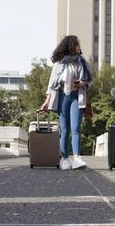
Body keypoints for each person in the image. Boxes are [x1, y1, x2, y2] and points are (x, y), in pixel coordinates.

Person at [40, 35, 93, 170]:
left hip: (77, 97)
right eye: (77, 44)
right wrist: (47, 102)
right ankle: (64, 159)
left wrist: (83, 83)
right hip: (63, 97)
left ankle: (76, 158)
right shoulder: (59, 64)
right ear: (70, 46)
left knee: (76, 128)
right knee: (65, 130)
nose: (79, 47)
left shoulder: (82, 62)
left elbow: (91, 80)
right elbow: (51, 86)